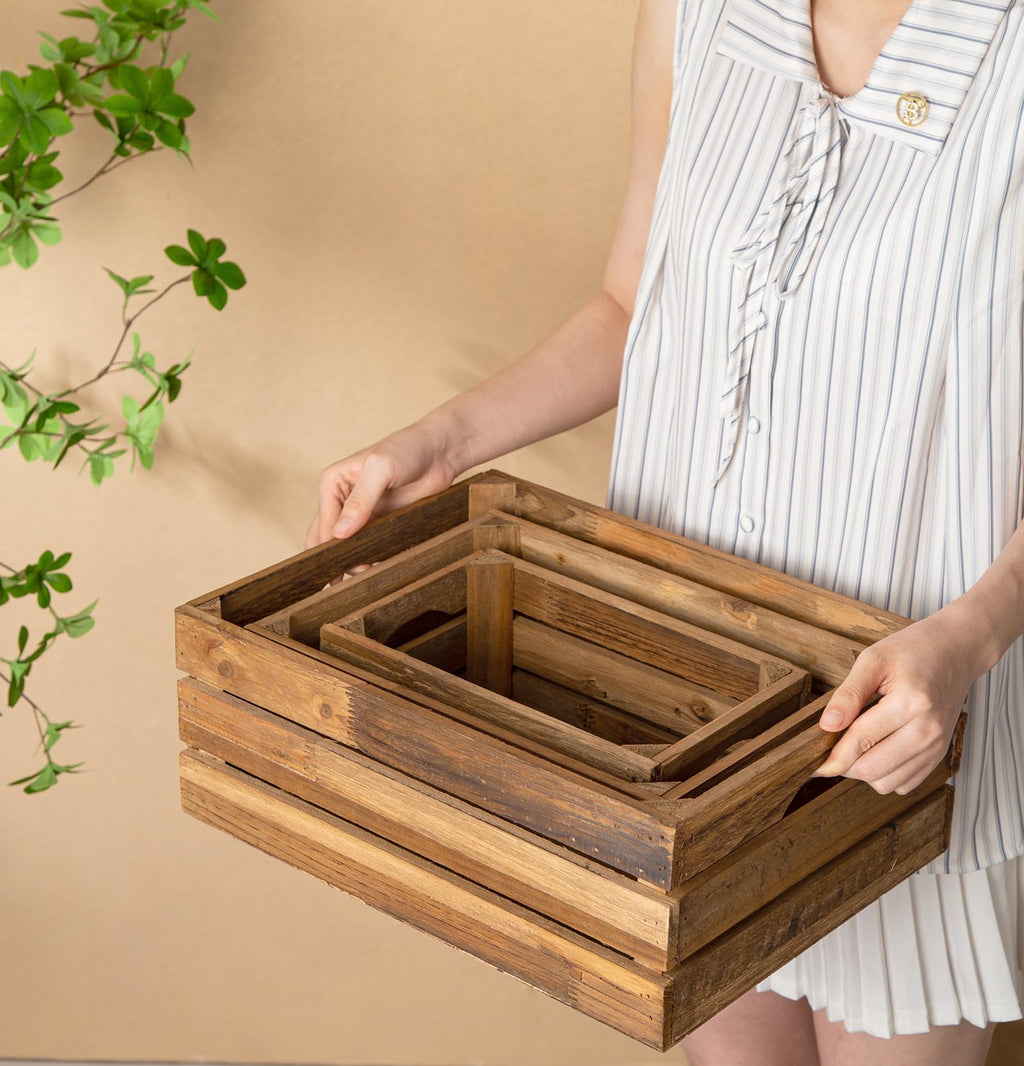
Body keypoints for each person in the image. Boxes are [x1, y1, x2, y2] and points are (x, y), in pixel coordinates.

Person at [306, 1, 1024, 1062]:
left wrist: (966, 637)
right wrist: (443, 441)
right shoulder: (694, 13)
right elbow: (628, 299)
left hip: (906, 710)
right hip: (672, 695)